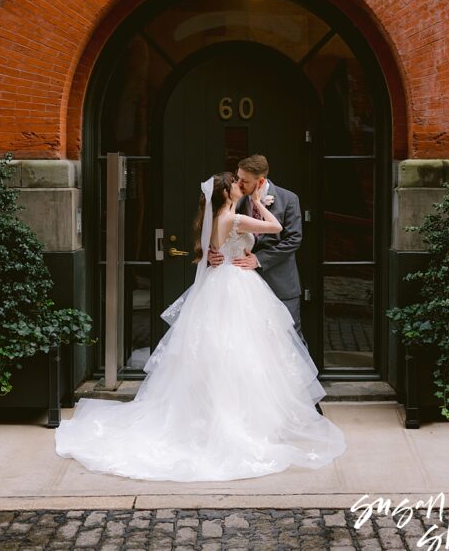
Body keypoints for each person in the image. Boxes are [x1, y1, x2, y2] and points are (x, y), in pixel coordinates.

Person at [55, 171, 345, 481]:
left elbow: (216, 247)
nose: (241, 186)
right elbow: (275, 227)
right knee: (240, 352)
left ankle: (218, 417)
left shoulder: (218, 217)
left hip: (223, 284)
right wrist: (259, 203)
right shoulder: (233, 219)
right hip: (237, 286)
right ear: (227, 193)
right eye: (237, 184)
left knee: (222, 353)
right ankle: (237, 421)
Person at [209, 154, 304, 344]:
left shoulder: (288, 199)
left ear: (260, 181)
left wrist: (259, 259)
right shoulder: (235, 200)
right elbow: (220, 230)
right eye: (238, 178)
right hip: (243, 287)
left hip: (280, 282)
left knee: (289, 339)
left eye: (244, 181)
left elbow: (294, 239)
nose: (239, 184)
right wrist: (213, 252)